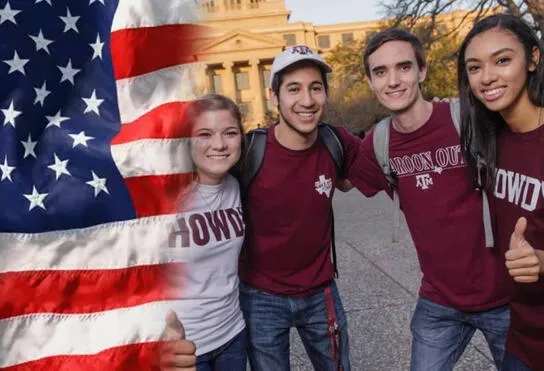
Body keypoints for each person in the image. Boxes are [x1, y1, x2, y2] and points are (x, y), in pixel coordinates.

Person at [347, 28, 512, 370]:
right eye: (380, 72)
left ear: (422, 71)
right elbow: (334, 178)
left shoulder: (468, 117)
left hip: (505, 299)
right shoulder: (379, 143)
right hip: (440, 304)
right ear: (370, 81)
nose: (393, 80)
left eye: (403, 67)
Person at [237, 45, 361, 371]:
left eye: (315, 88)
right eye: (294, 89)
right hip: (260, 297)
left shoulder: (338, 142)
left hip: (321, 294)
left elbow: (388, 163)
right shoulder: (249, 150)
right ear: (274, 95)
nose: (306, 100)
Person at [458, 13, 544, 371]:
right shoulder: (489, 141)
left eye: (503, 60)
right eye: (475, 67)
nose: (487, 77)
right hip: (522, 338)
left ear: (533, 58)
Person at [166, 94, 248, 371]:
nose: (219, 144)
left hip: (233, 335)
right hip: (184, 346)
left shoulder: (236, 187)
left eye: (230, 133)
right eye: (205, 134)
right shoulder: (166, 197)